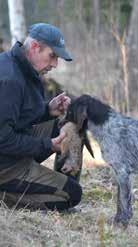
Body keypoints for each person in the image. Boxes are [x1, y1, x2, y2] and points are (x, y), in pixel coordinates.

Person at [0, 23, 82, 211]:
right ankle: (5, 196)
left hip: (14, 149)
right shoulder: (9, 80)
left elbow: (16, 117)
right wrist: (47, 144)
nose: (54, 64)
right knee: (72, 195)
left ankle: (62, 181)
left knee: (70, 122)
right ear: (35, 47)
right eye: (52, 56)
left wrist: (47, 110)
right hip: (5, 165)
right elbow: (3, 139)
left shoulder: (22, 67)